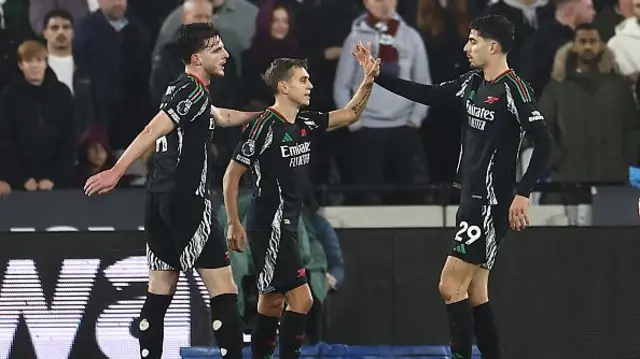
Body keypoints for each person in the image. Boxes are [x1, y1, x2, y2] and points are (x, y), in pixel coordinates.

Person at [371, 14, 553, 359]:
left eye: (473, 41)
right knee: (475, 291)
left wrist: (523, 193)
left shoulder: (512, 88)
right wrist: (378, 76)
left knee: (449, 285)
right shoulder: (472, 82)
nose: (465, 47)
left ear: (493, 46)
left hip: (488, 201)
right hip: (471, 197)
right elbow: (427, 94)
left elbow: (544, 142)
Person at [84, 22, 259, 359]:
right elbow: (153, 128)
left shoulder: (182, 90)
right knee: (224, 289)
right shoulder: (191, 92)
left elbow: (219, 116)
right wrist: (117, 171)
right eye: (216, 49)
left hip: (157, 200)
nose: (225, 54)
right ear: (196, 58)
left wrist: (262, 115)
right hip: (186, 201)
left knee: (160, 289)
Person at [222, 43, 379, 359]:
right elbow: (231, 177)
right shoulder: (263, 126)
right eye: (303, 80)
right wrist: (233, 222)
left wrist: (368, 81)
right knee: (302, 299)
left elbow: (349, 114)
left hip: (288, 226)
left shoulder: (305, 123)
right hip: (270, 225)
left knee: (271, 301)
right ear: (283, 86)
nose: (311, 85)